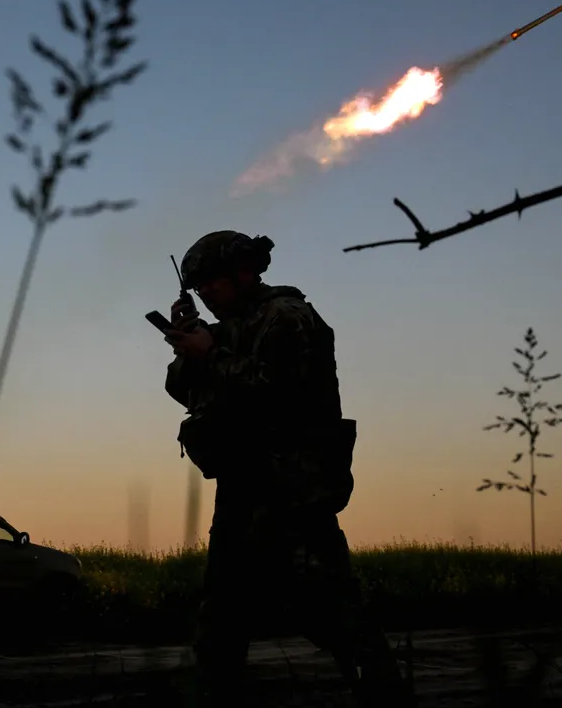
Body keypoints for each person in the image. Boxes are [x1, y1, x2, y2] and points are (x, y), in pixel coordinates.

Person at [162, 230, 414, 707]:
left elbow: (275, 392)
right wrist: (188, 348)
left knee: (330, 610)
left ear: (242, 272)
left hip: (292, 493)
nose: (206, 294)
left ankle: (386, 697)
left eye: (210, 283)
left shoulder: (288, 317)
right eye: (198, 288)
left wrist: (210, 354)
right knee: (220, 620)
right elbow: (184, 392)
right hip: (242, 489)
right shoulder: (228, 327)